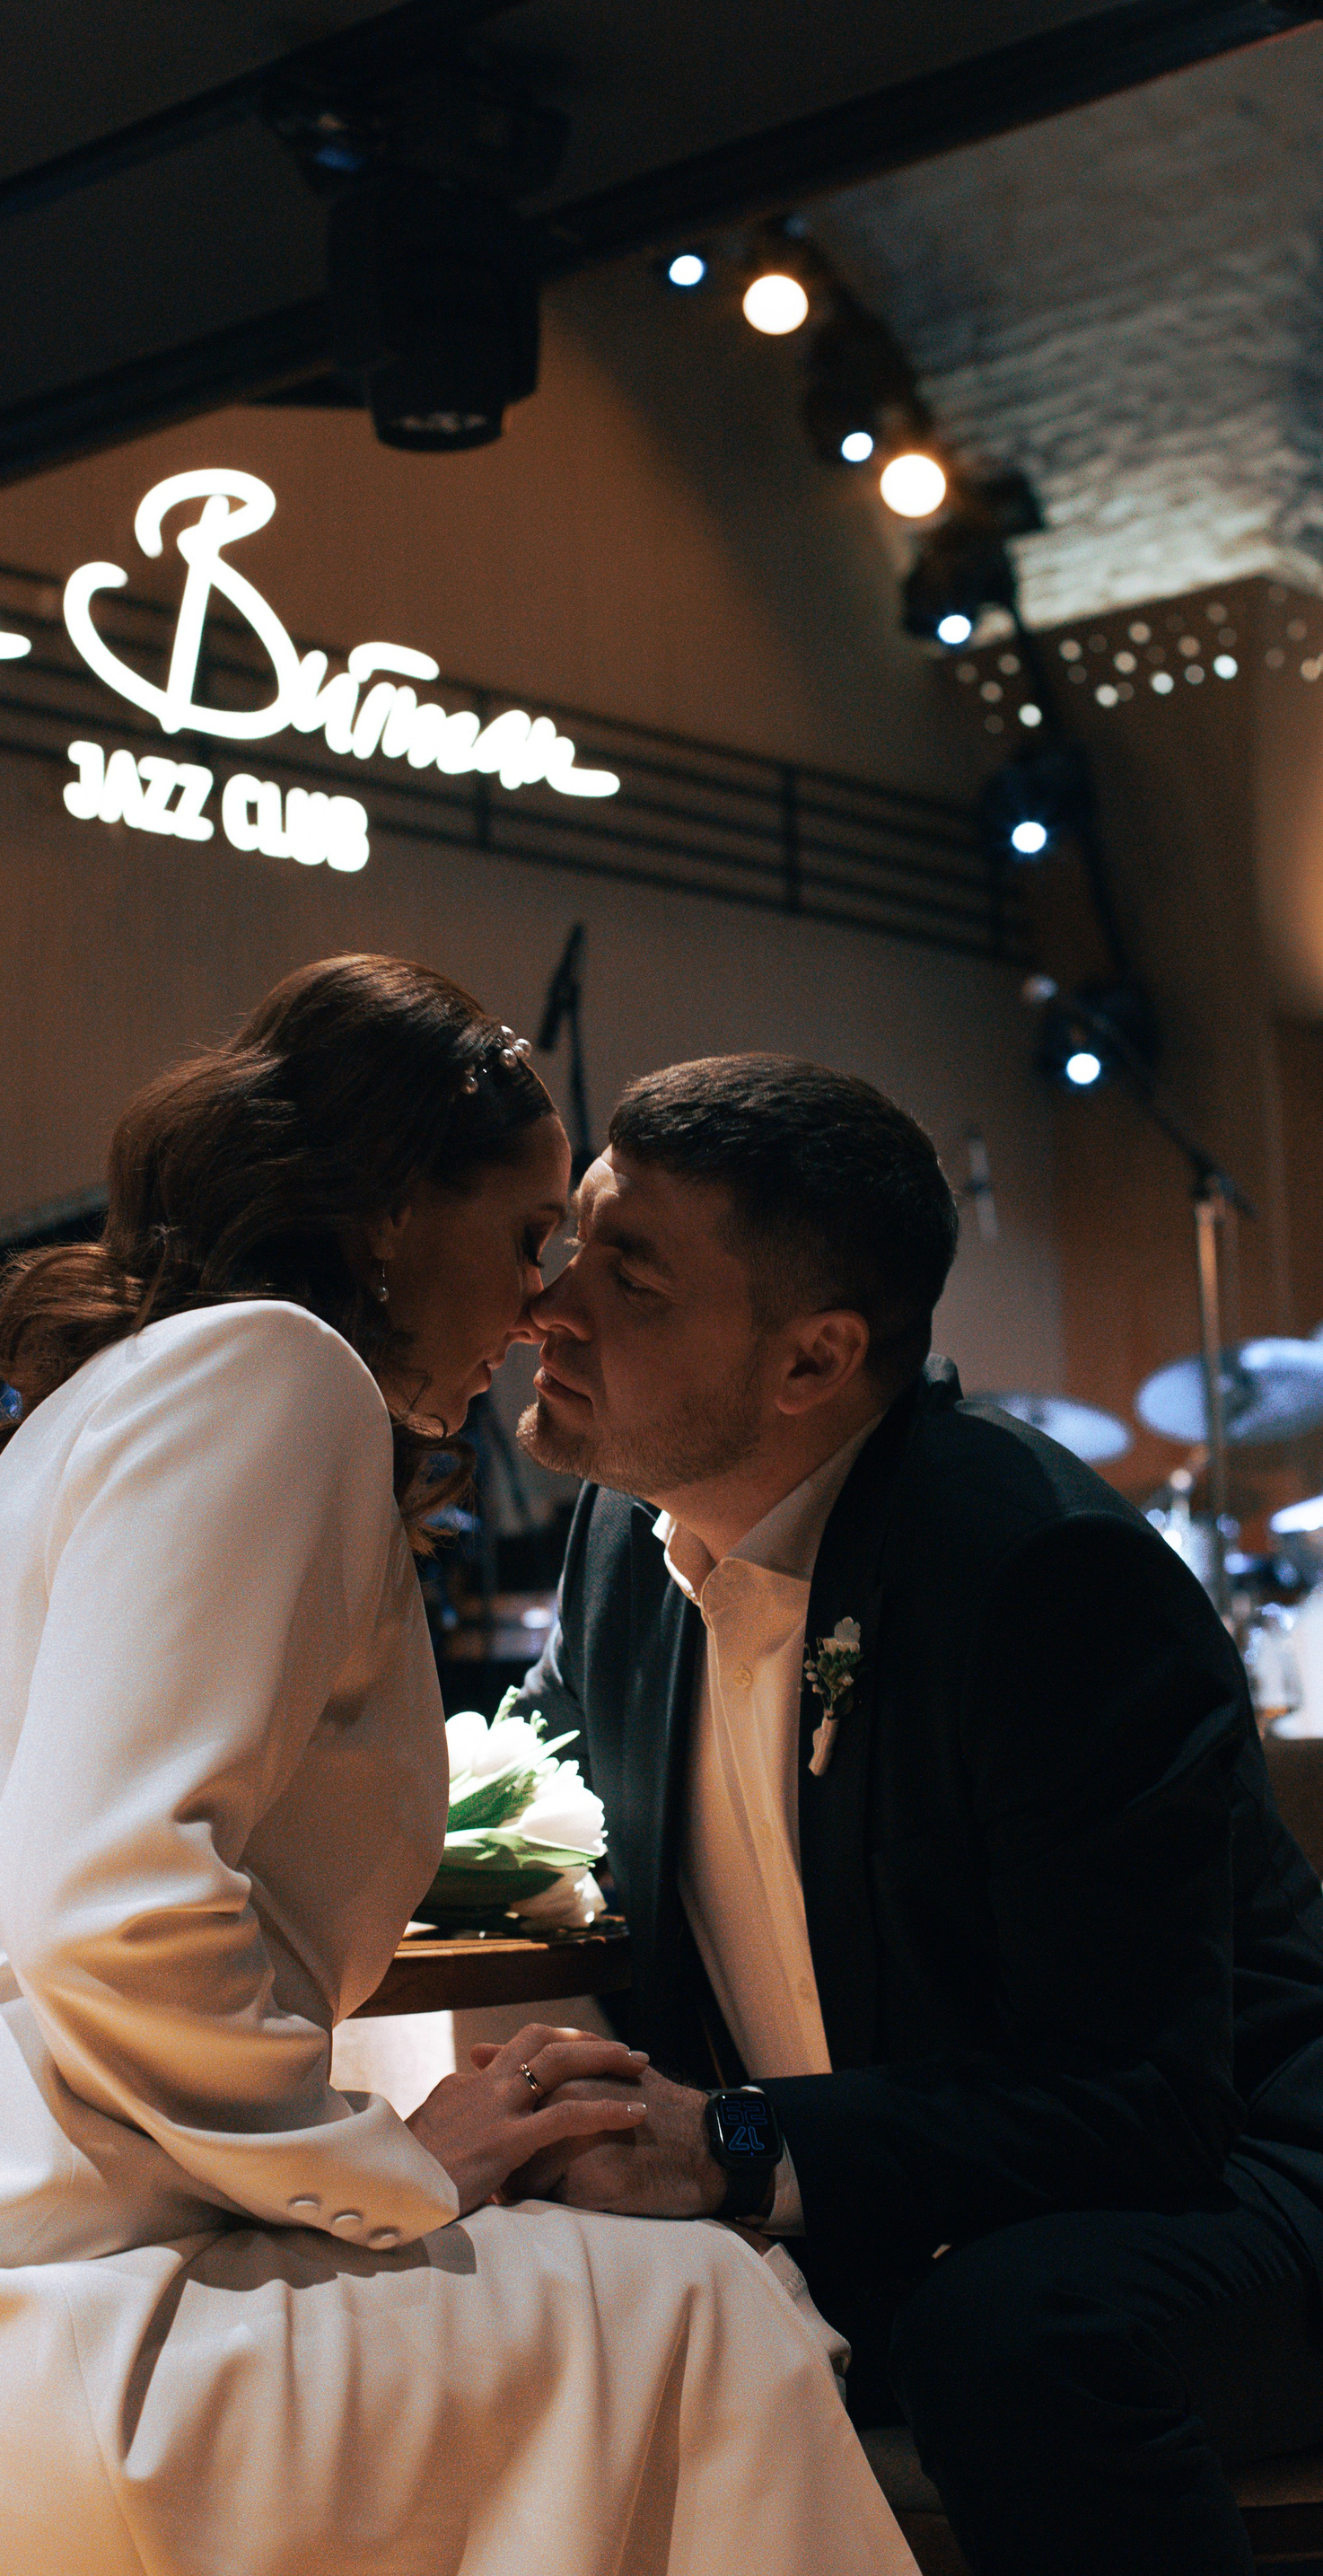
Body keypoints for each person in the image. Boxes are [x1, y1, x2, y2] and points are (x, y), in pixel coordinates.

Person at [0, 962, 914, 2576]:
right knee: (706, 2304)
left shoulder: (119, 1395)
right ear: (388, 1217)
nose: (540, 1309)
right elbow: (111, 1901)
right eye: (529, 1238)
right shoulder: (281, 1375)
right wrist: (385, 2165)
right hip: (22, 2328)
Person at [509, 1050, 1323, 2576]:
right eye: (571, 1247)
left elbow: (1140, 2096)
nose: (546, 1307)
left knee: (1009, 2332)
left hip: (1241, 2175)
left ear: (812, 1361)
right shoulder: (624, 1543)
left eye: (632, 1279)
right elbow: (546, 1806)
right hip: (905, 2193)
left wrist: (731, 2144)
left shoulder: (1040, 1577)